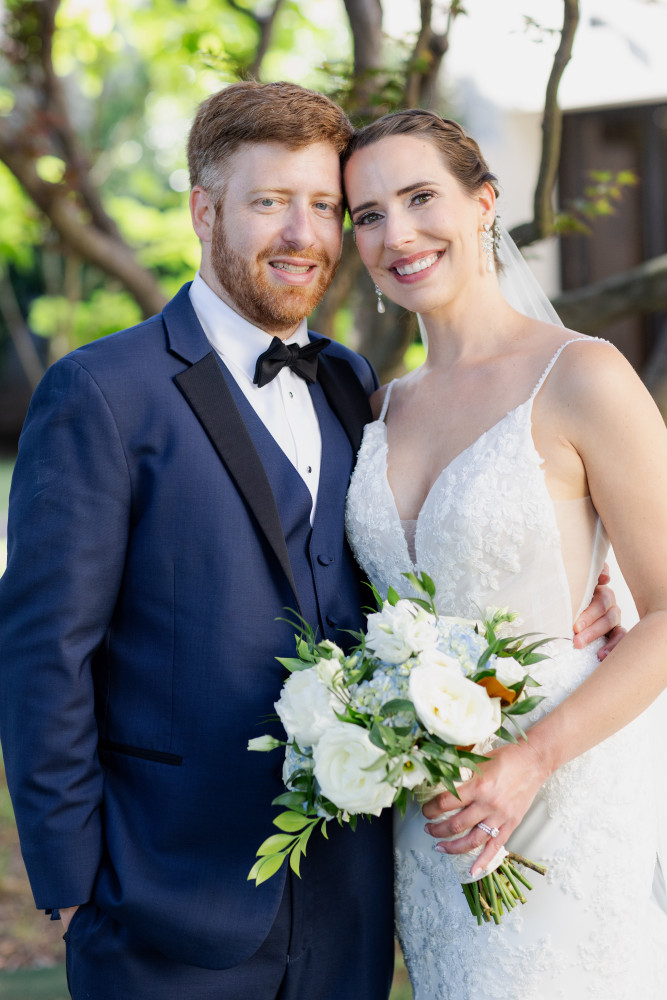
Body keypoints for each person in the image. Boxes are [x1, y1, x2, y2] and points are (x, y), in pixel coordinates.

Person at [0, 83, 618, 1000]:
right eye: (267, 203)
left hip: (350, 895)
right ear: (205, 209)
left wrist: (602, 580)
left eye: (325, 206)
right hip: (164, 894)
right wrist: (70, 882)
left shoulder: (351, 384)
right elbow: (45, 650)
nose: (302, 234)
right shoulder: (101, 391)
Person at [343, 109, 667, 999]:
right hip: (434, 819)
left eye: (419, 198)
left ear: (484, 202)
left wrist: (527, 761)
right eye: (367, 215)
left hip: (562, 793)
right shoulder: (376, 412)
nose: (396, 234)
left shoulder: (583, 376)